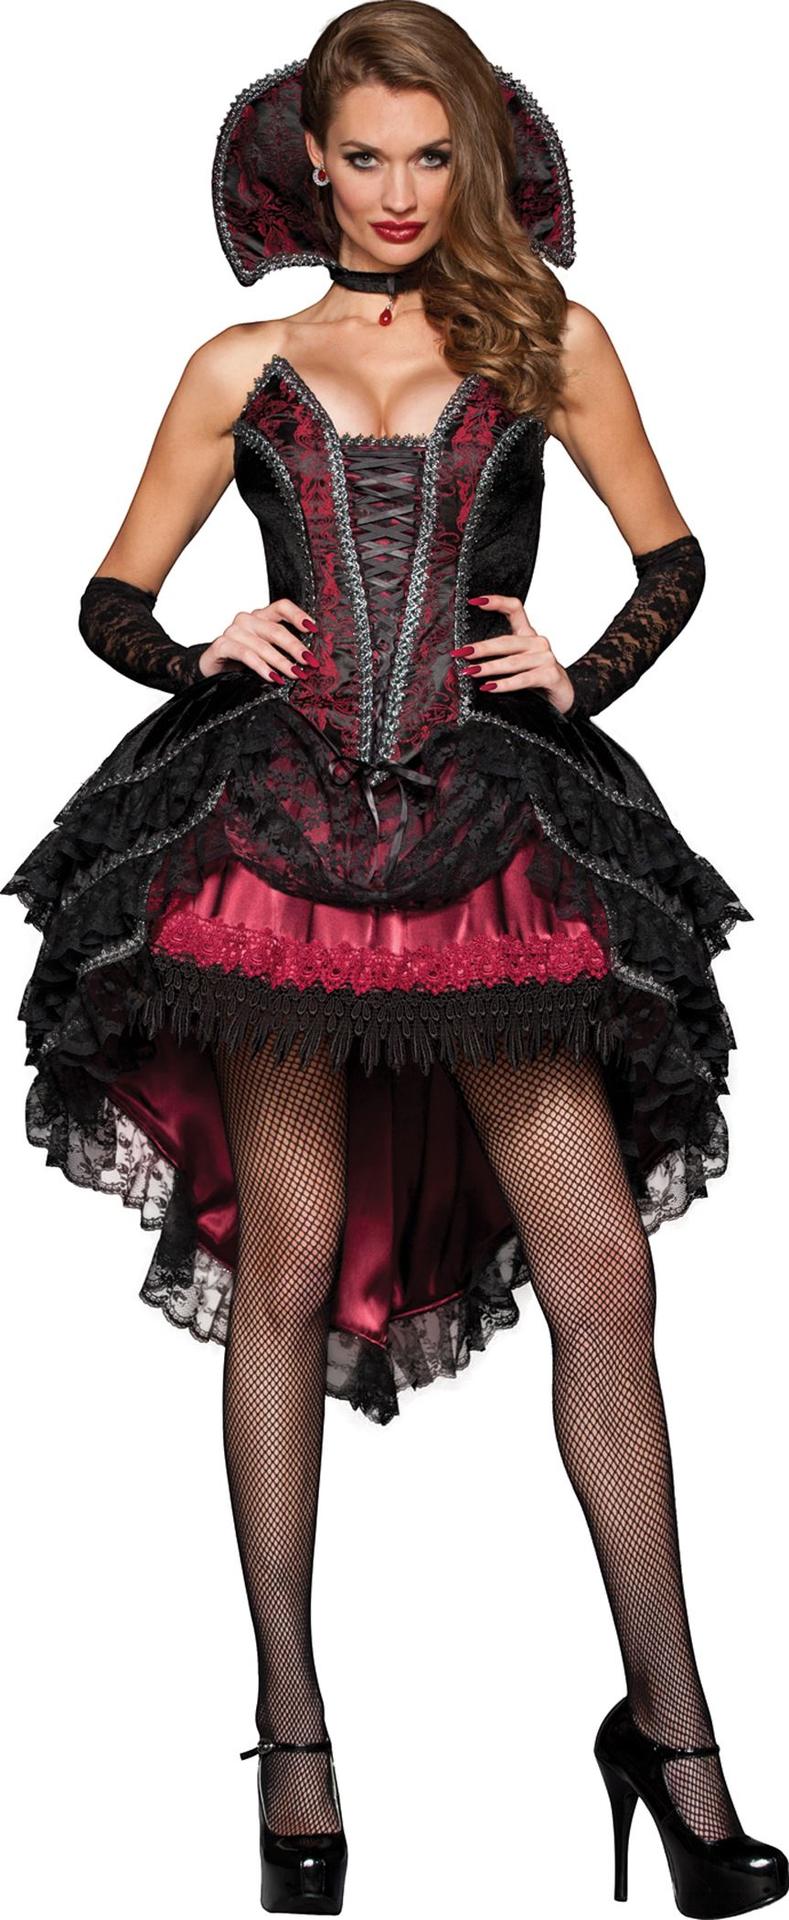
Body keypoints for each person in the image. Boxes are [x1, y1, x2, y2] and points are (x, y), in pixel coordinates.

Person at [3, 4, 787, 1915]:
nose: (396, 192)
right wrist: (198, 649)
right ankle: (292, 1731)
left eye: (431, 157)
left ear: (478, 162)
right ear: (310, 159)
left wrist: (576, 674)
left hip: (483, 844)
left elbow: (672, 560)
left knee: (603, 1275)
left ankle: (672, 1735)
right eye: (364, 156)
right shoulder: (238, 363)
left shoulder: (544, 339)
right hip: (276, 852)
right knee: (279, 1269)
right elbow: (110, 597)